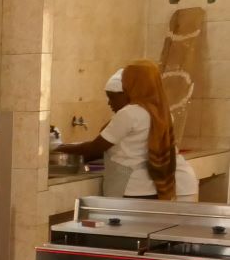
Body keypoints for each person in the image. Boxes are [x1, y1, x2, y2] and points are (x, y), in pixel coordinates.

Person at [57, 62, 194, 200]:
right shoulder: (162, 112)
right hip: (151, 188)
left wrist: (56, 149)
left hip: (129, 188)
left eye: (127, 80)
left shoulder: (130, 113)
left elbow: (95, 148)